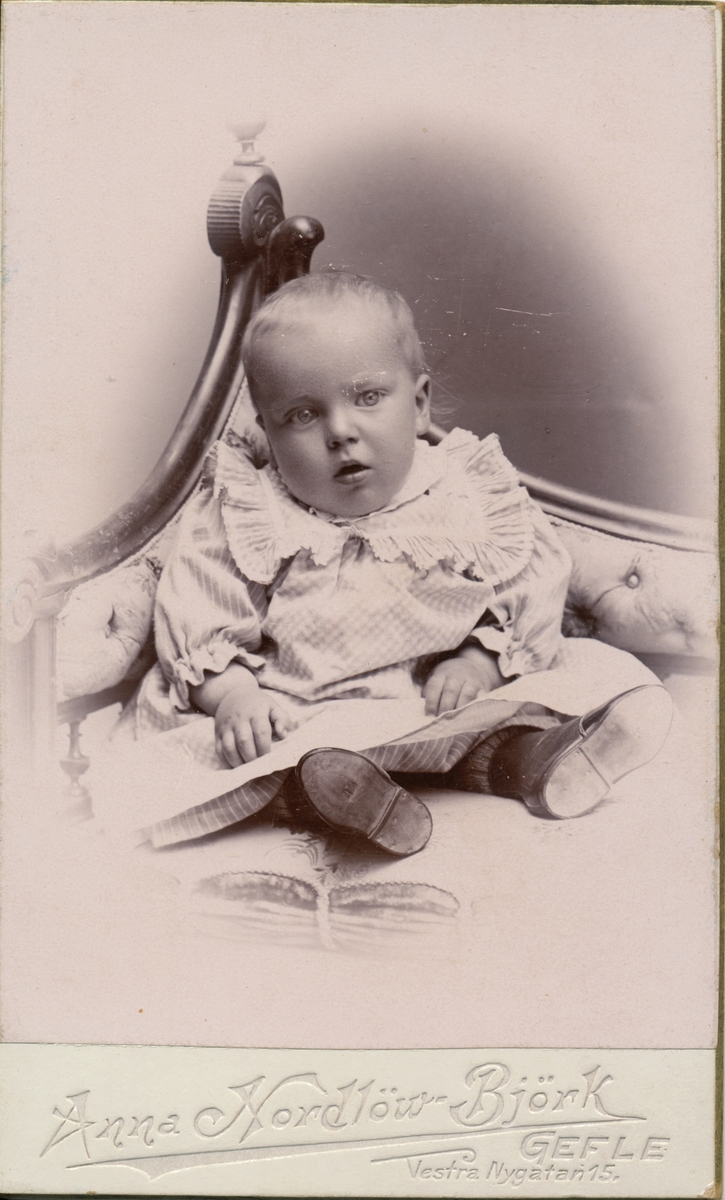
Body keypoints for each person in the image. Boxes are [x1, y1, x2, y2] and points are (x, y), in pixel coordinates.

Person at [124, 272, 672, 853]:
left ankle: (540, 763)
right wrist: (234, 696)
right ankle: (347, 799)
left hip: (440, 708)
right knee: (263, 762)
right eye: (303, 415)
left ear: (418, 404)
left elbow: (530, 586)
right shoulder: (252, 511)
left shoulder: (464, 493)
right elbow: (201, 612)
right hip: (302, 716)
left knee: (507, 725)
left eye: (367, 397)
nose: (341, 432)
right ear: (269, 431)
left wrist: (480, 662)